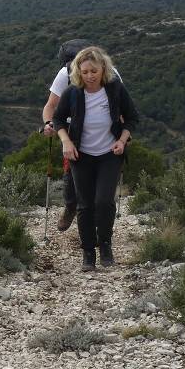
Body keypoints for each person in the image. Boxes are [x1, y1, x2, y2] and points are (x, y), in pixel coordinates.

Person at [52, 46, 139, 271]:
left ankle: (106, 246)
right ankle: (88, 253)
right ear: (77, 72)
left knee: (104, 201)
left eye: (94, 71)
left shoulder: (115, 89)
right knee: (85, 204)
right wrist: (66, 142)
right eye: (85, 72)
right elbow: (58, 119)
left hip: (110, 154)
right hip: (81, 156)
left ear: (104, 69)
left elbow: (132, 118)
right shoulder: (73, 93)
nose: (89, 76)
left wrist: (122, 140)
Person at [42, 39, 123, 232]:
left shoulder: (111, 74)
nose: (89, 74)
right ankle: (71, 206)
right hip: (73, 132)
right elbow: (51, 106)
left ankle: (95, 225)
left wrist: (123, 132)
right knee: (71, 174)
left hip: (104, 134)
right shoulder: (66, 74)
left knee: (100, 184)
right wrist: (49, 123)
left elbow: (120, 104)